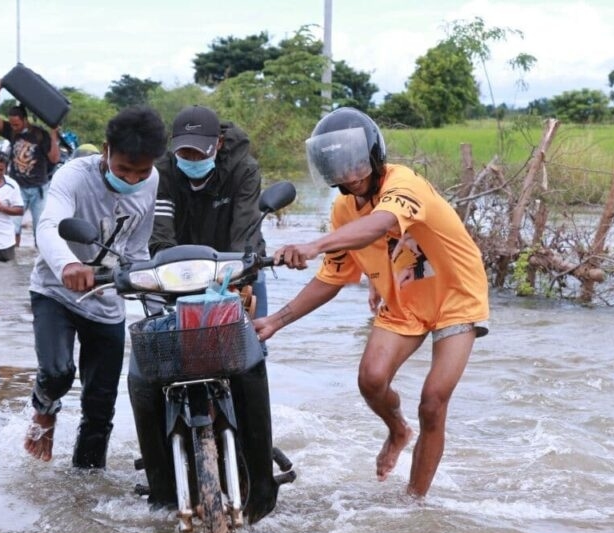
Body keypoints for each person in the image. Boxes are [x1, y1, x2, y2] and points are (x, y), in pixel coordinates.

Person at [253, 107, 489, 498]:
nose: (349, 176)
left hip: (455, 296)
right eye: (338, 168)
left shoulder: (404, 184)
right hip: (404, 299)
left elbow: (380, 224)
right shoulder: (343, 209)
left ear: (374, 155)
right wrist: (277, 320)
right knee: (371, 380)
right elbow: (332, 276)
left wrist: (312, 245)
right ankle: (398, 430)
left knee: (432, 402)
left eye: (356, 165)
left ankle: (414, 505)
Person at [24, 106, 167, 468]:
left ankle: (86, 488)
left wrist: (152, 294)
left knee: (101, 406)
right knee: (57, 374)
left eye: (141, 171)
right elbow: (48, 226)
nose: (133, 179)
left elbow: (137, 246)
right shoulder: (73, 176)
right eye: (123, 169)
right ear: (105, 151)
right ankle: (44, 409)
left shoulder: (151, 181)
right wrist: (68, 264)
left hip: (106, 300)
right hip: (56, 291)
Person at [151, 105, 269, 317]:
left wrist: (237, 273)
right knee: (161, 333)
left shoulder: (243, 170)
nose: (192, 159)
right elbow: (161, 232)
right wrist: (170, 270)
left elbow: (244, 230)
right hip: (180, 268)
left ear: (219, 143)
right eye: (185, 152)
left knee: (254, 335)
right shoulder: (162, 172)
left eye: (199, 152)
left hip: (234, 264)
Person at [0, 77, 62, 247]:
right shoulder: (11, 132)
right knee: (12, 230)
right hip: (17, 189)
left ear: (25, 120)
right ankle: (13, 266)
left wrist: (54, 133)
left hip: (39, 189)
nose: (14, 127)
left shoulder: (41, 135)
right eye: (11, 124)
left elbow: (55, 159)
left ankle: (40, 264)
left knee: (41, 231)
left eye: (17, 124)